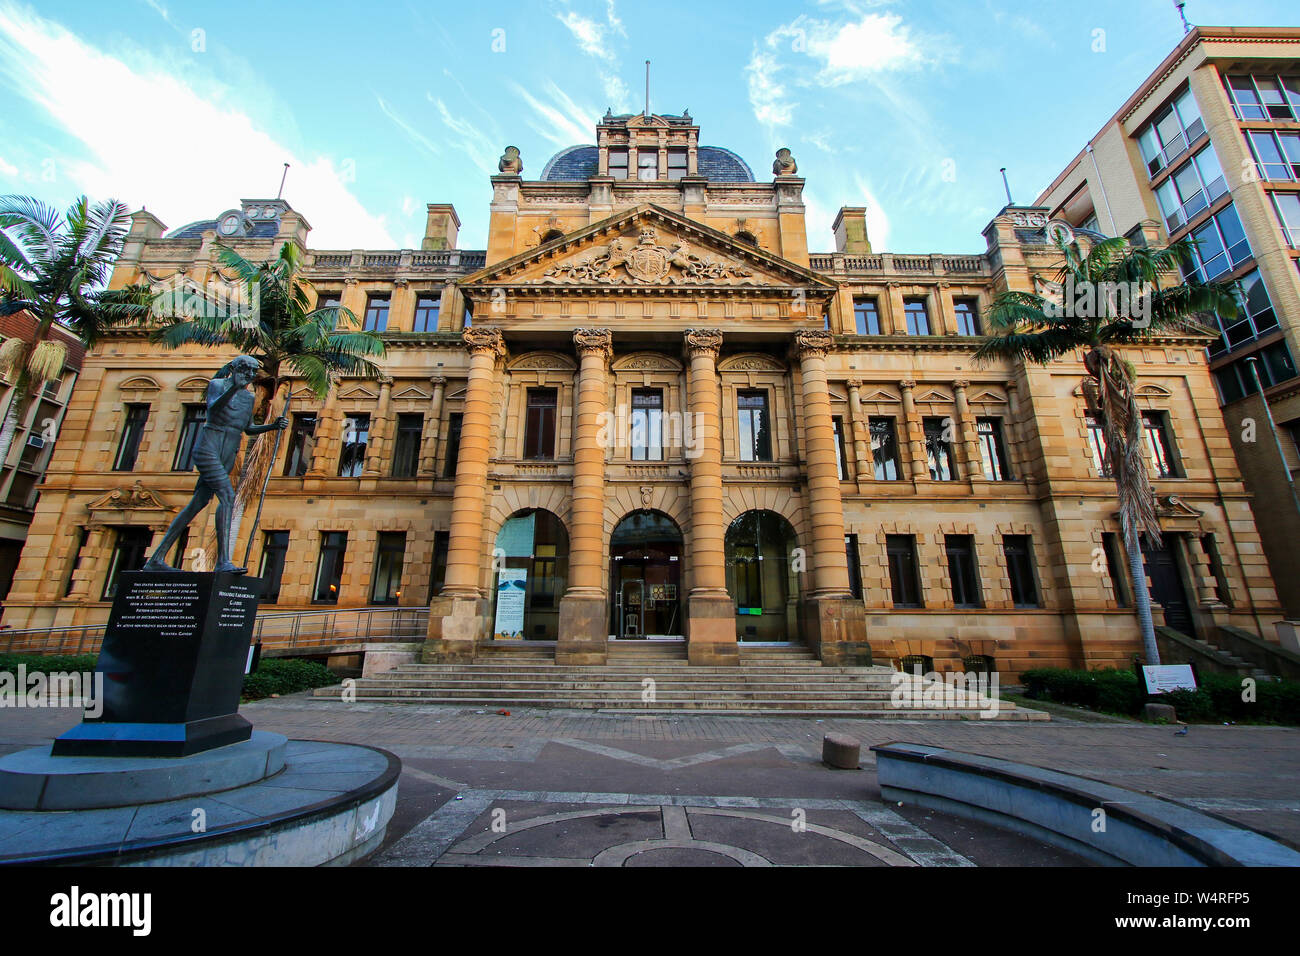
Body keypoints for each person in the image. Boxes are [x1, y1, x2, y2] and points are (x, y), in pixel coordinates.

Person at [143, 355, 287, 574]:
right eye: (244, 370)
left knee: (197, 503)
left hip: (229, 450)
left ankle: (156, 559)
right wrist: (232, 389)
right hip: (209, 446)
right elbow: (213, 410)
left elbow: (247, 429)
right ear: (233, 368)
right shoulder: (217, 385)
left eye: (251, 372)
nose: (248, 375)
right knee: (228, 498)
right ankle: (222, 563)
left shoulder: (248, 398)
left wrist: (273, 426)